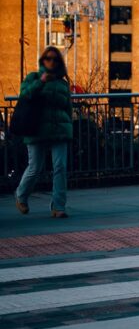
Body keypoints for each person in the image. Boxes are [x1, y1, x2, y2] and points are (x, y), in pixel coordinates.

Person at [14, 47, 73, 218]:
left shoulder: (63, 84)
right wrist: (40, 82)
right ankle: (21, 195)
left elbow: (67, 108)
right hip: (36, 129)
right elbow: (24, 95)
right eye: (48, 58)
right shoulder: (33, 77)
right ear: (43, 60)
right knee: (35, 167)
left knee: (60, 167)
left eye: (55, 59)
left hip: (60, 130)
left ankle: (58, 206)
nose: (51, 62)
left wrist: (69, 129)